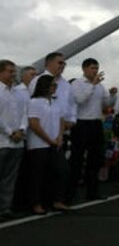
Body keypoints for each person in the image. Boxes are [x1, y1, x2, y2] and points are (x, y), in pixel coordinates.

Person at [68, 58, 115, 202]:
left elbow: (106, 104)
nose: (95, 71)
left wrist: (112, 95)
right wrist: (93, 85)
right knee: (76, 159)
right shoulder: (77, 84)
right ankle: (70, 194)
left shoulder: (100, 86)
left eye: (96, 68)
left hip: (95, 123)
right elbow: (80, 100)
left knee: (95, 160)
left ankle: (92, 192)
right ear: (84, 69)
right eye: (93, 68)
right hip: (81, 123)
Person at [26, 74, 69, 214]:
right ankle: (36, 203)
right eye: (52, 85)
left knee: (60, 171)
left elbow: (61, 120)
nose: (54, 88)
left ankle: (56, 200)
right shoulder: (34, 102)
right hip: (39, 144)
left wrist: (60, 136)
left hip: (55, 142)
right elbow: (34, 124)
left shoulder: (56, 101)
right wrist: (49, 140)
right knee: (37, 175)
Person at [0, 60, 25, 219]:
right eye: (10, 71)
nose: (13, 75)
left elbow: (24, 113)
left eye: (14, 72)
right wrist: (10, 132)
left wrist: (21, 130)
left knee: (10, 178)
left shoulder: (17, 93)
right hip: (2, 141)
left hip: (16, 143)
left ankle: (5, 208)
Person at [29, 52, 76, 130]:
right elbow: (31, 105)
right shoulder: (37, 81)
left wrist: (71, 120)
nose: (63, 66)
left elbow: (72, 104)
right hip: (43, 128)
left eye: (64, 63)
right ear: (49, 63)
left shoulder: (66, 85)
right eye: (60, 63)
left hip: (64, 129)